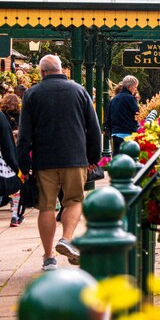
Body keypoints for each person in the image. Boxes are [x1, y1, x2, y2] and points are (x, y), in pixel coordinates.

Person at [16, 55, 102, 271]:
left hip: (45, 161)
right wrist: (93, 158)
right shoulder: (79, 91)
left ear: (42, 72)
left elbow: (24, 134)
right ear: (62, 69)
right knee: (73, 200)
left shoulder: (32, 94)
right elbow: (94, 128)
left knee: (45, 206)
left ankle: (48, 258)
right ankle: (66, 238)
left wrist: (24, 165)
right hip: (75, 158)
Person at [105, 76, 140, 155]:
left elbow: (108, 116)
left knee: (116, 158)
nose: (135, 90)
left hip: (115, 133)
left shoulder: (114, 99)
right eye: (135, 87)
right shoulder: (130, 99)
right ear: (129, 87)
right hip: (127, 133)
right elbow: (137, 114)